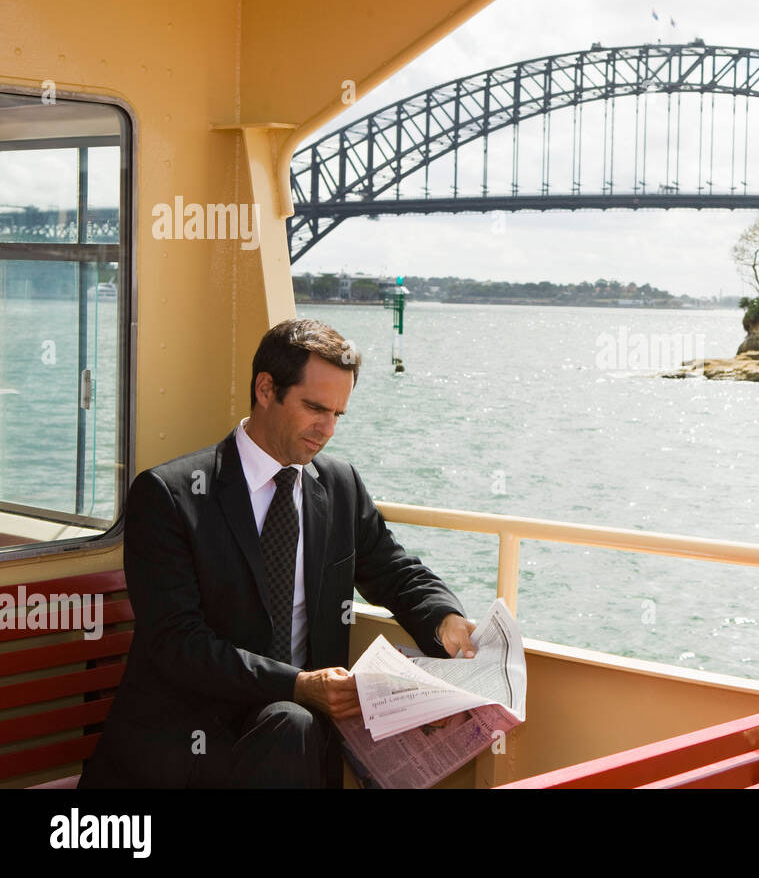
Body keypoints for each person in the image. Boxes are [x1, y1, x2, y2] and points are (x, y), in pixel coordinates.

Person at [80, 319, 474, 788]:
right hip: (187, 748)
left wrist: (445, 619)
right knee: (294, 723)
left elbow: (394, 570)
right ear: (265, 389)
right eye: (314, 408)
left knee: (293, 725)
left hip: (294, 743)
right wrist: (299, 685)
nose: (326, 429)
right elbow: (175, 643)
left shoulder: (340, 484)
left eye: (338, 415)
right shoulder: (169, 495)